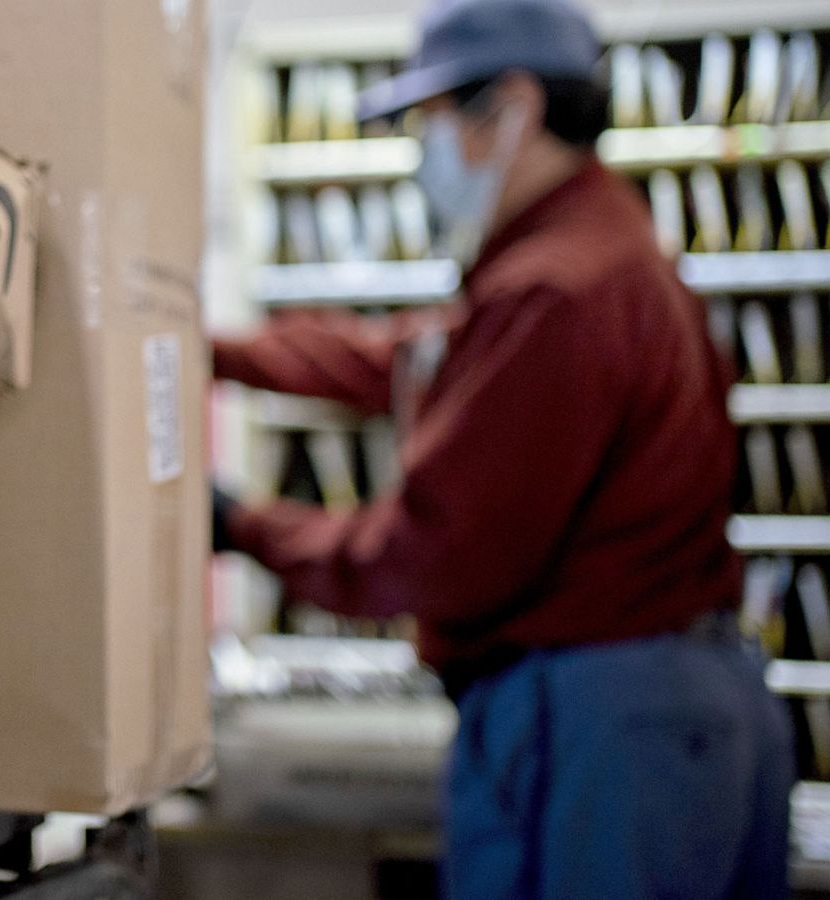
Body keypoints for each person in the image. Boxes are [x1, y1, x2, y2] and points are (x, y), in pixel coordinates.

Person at [211, 1, 795, 896]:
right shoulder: (604, 253)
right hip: (674, 708)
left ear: (512, 108)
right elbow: (405, 360)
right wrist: (210, 349)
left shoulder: (553, 293)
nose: (422, 149)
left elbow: (437, 553)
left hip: (603, 723)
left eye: (430, 118)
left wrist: (247, 527)